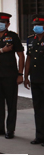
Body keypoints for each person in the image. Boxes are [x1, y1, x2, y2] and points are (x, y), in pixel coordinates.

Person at [0, 12, 24, 139]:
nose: (0, 24)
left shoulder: (13, 36)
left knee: (11, 103)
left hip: (10, 74)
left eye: (3, 22)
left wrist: (20, 73)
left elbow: (21, 56)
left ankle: (10, 130)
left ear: (8, 24)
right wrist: (2, 50)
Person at [25, 14, 44, 146]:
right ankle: (39, 136)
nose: (36, 27)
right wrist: (26, 76)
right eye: (34, 26)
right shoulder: (31, 40)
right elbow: (29, 58)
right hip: (35, 78)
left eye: (39, 25)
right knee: (37, 108)